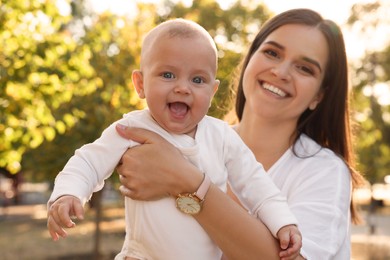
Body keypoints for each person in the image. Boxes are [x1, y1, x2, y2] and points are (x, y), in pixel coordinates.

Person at [115, 8, 367, 260]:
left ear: (318, 96)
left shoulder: (324, 170)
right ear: (250, 59)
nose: (281, 72)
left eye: (304, 68)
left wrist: (186, 182)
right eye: (272, 53)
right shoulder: (188, 141)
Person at [46, 18, 302, 260]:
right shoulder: (131, 129)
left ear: (212, 91)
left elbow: (256, 185)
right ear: (140, 84)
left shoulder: (221, 136)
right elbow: (88, 162)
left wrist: (283, 222)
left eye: (198, 79)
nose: (182, 87)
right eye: (168, 75)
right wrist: (68, 194)